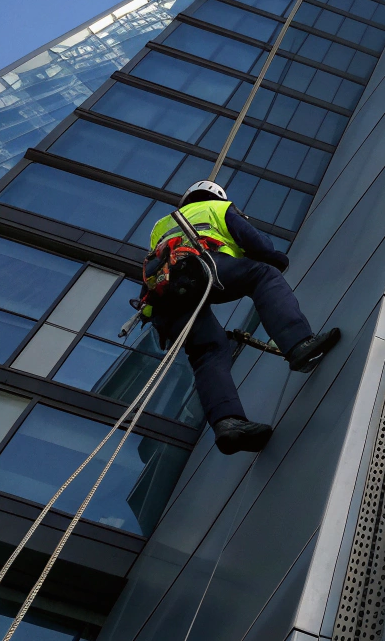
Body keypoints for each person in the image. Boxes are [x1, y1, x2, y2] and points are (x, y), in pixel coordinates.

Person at [146, 180, 340, 454]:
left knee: (208, 353)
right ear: (217, 196)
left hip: (167, 296)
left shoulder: (160, 226)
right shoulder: (218, 207)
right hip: (207, 268)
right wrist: (276, 259)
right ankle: (298, 344)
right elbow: (254, 242)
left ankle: (228, 423)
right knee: (263, 275)